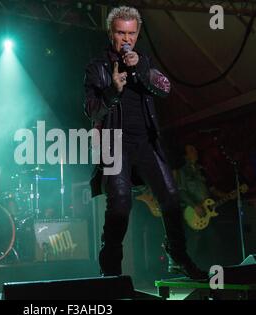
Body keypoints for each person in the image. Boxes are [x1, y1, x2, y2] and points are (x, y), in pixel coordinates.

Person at [84, 6, 207, 279]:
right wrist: (112, 91)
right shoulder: (97, 67)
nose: (126, 39)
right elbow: (92, 110)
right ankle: (110, 269)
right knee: (120, 203)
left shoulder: (144, 62)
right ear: (110, 33)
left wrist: (139, 66)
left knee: (172, 197)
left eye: (131, 33)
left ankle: (177, 256)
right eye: (120, 33)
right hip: (115, 143)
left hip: (147, 142)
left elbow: (165, 89)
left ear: (137, 34)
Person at [174, 144, 225, 270]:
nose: (195, 151)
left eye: (195, 149)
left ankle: (215, 272)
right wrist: (195, 206)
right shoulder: (182, 170)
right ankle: (188, 271)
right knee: (193, 243)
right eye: (191, 150)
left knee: (214, 241)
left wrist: (229, 195)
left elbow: (212, 189)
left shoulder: (201, 169)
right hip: (191, 211)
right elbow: (181, 191)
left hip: (207, 212)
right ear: (185, 156)